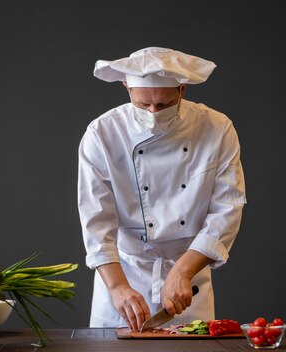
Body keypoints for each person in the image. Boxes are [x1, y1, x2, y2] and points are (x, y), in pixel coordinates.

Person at [78, 47, 246, 331]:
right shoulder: (102, 134)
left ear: (182, 90)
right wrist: (118, 287)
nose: (154, 113)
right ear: (125, 86)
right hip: (125, 277)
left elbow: (227, 210)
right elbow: (97, 221)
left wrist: (183, 270)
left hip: (187, 284)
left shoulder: (217, 129)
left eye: (164, 104)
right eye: (143, 105)